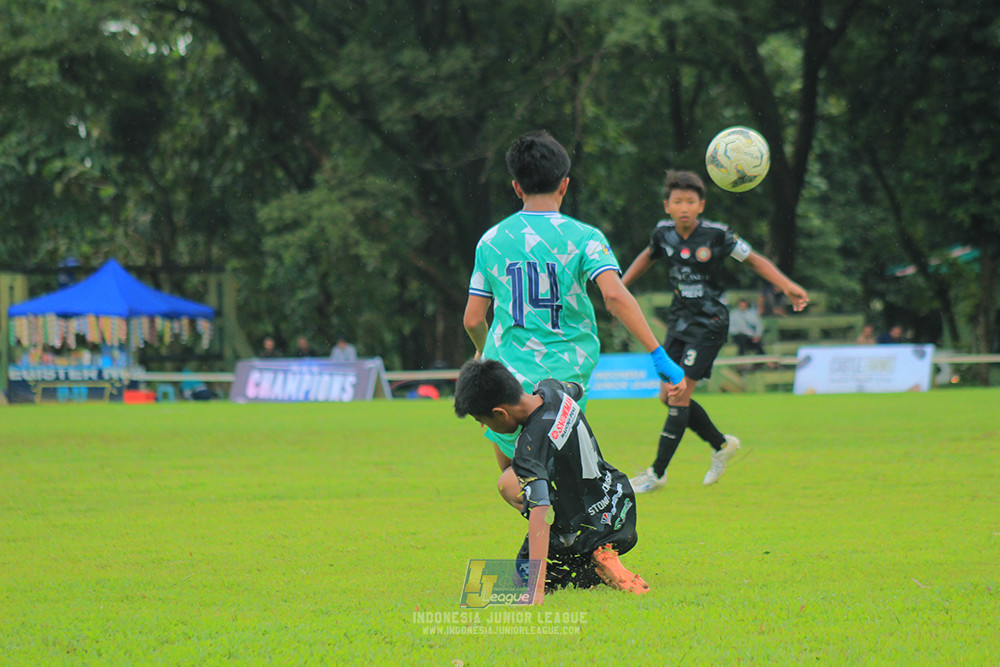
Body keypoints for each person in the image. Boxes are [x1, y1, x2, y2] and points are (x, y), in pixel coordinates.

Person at [464, 130, 687, 511]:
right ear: (564, 184)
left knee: (518, 476)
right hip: (562, 380)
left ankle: (559, 549)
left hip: (507, 381)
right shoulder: (585, 237)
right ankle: (582, 542)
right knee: (538, 478)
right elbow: (615, 296)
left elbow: (472, 319)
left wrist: (486, 358)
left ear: (516, 186)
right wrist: (659, 356)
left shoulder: (491, 241)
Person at [622, 170, 810, 491]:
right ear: (667, 206)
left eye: (690, 201)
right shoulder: (662, 234)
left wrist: (788, 286)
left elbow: (755, 261)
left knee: (680, 394)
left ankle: (657, 473)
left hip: (709, 324)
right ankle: (721, 445)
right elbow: (648, 257)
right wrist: (620, 286)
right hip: (679, 321)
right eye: (677, 201)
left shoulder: (718, 236)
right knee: (667, 396)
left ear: (701, 205)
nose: (684, 207)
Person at [454, 359, 649, 603]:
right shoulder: (551, 388)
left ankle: (592, 561)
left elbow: (541, 513)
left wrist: (534, 590)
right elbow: (576, 389)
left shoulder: (529, 447)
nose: (484, 426)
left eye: (482, 420)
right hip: (618, 503)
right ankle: (600, 552)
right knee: (517, 483)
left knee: (522, 575)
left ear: (500, 413)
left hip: (586, 529)